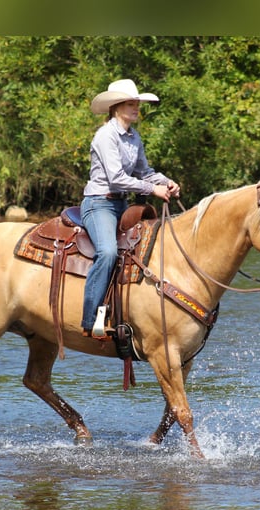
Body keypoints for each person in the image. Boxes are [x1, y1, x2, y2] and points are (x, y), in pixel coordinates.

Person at [81, 79, 181, 338]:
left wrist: (166, 182)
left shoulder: (134, 137)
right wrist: (152, 190)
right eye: (131, 103)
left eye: (137, 103)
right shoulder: (106, 135)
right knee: (108, 251)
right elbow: (116, 178)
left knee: (144, 251)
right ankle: (91, 319)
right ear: (116, 107)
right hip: (99, 203)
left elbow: (144, 172)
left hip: (121, 204)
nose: (136, 108)